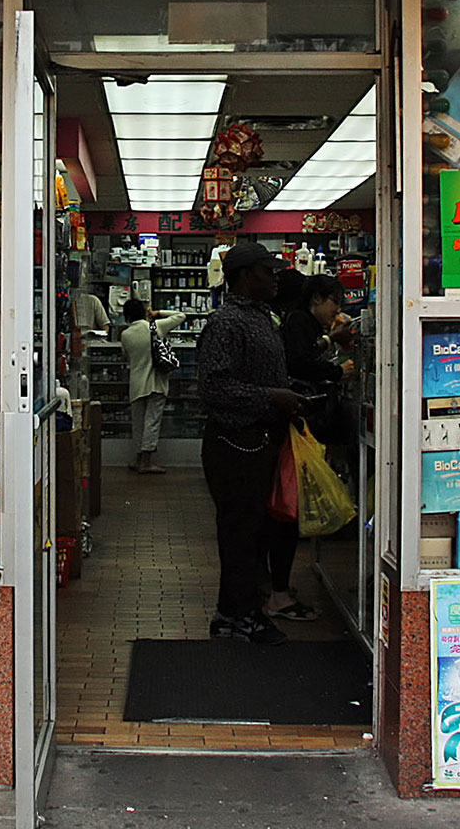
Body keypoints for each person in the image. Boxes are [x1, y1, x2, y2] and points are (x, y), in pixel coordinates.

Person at [196, 241, 305, 646]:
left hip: (259, 440)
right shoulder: (227, 322)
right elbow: (213, 387)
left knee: (252, 532)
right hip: (235, 443)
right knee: (240, 533)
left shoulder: (261, 317)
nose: (276, 276)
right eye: (267, 270)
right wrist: (272, 398)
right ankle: (235, 615)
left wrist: (292, 393)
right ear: (244, 276)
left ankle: (240, 611)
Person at [265, 272, 357, 623]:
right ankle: (278, 592)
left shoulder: (299, 322)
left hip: (297, 427)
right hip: (297, 428)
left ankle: (276, 587)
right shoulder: (299, 321)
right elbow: (299, 362)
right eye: (334, 302)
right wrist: (336, 372)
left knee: (286, 511)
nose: (336, 309)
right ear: (316, 298)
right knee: (287, 511)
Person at [119, 297, 187, 474]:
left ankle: (138, 459)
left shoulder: (125, 335)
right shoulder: (155, 327)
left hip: (136, 384)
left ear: (126, 315)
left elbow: (126, 355)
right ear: (143, 312)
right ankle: (146, 462)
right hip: (156, 382)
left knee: (138, 424)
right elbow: (181, 316)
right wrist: (158, 313)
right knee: (152, 423)